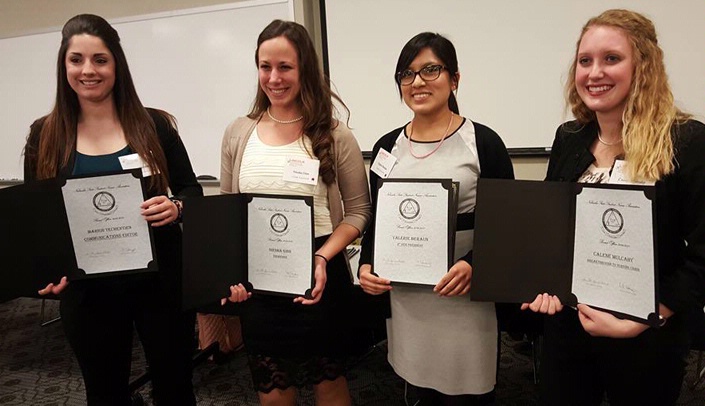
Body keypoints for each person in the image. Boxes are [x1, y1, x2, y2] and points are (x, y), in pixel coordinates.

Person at [522, 9, 705, 406]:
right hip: (571, 326)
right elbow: (555, 230)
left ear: (644, 66)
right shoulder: (569, 138)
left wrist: (649, 316)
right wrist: (544, 285)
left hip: (648, 334)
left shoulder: (687, 142)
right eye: (584, 61)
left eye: (611, 58)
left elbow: (703, 255)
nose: (594, 72)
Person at [24, 14, 202, 406]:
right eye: (76, 59)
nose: (88, 70)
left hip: (162, 283)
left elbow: (191, 190)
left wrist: (176, 207)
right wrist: (48, 270)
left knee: (175, 386)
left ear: (116, 64)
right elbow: (38, 219)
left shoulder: (153, 125)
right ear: (64, 66)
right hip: (89, 292)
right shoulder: (45, 135)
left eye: (100, 59)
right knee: (105, 393)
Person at [358, 32, 514, 406]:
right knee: (418, 391)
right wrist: (366, 264)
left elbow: (508, 224)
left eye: (431, 70)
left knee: (467, 393)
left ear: (454, 79)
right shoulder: (385, 146)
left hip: (463, 298)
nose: (418, 82)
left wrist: (476, 265)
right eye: (407, 74)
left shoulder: (484, 142)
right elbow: (379, 217)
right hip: (408, 298)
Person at [220, 20, 371, 405]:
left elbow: (358, 213)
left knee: (330, 387)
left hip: (320, 277)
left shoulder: (336, 135)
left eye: (285, 67)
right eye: (264, 66)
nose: (274, 78)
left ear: (304, 68)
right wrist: (231, 275)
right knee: (273, 392)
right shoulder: (239, 132)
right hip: (261, 285)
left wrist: (322, 256)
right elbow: (227, 215)